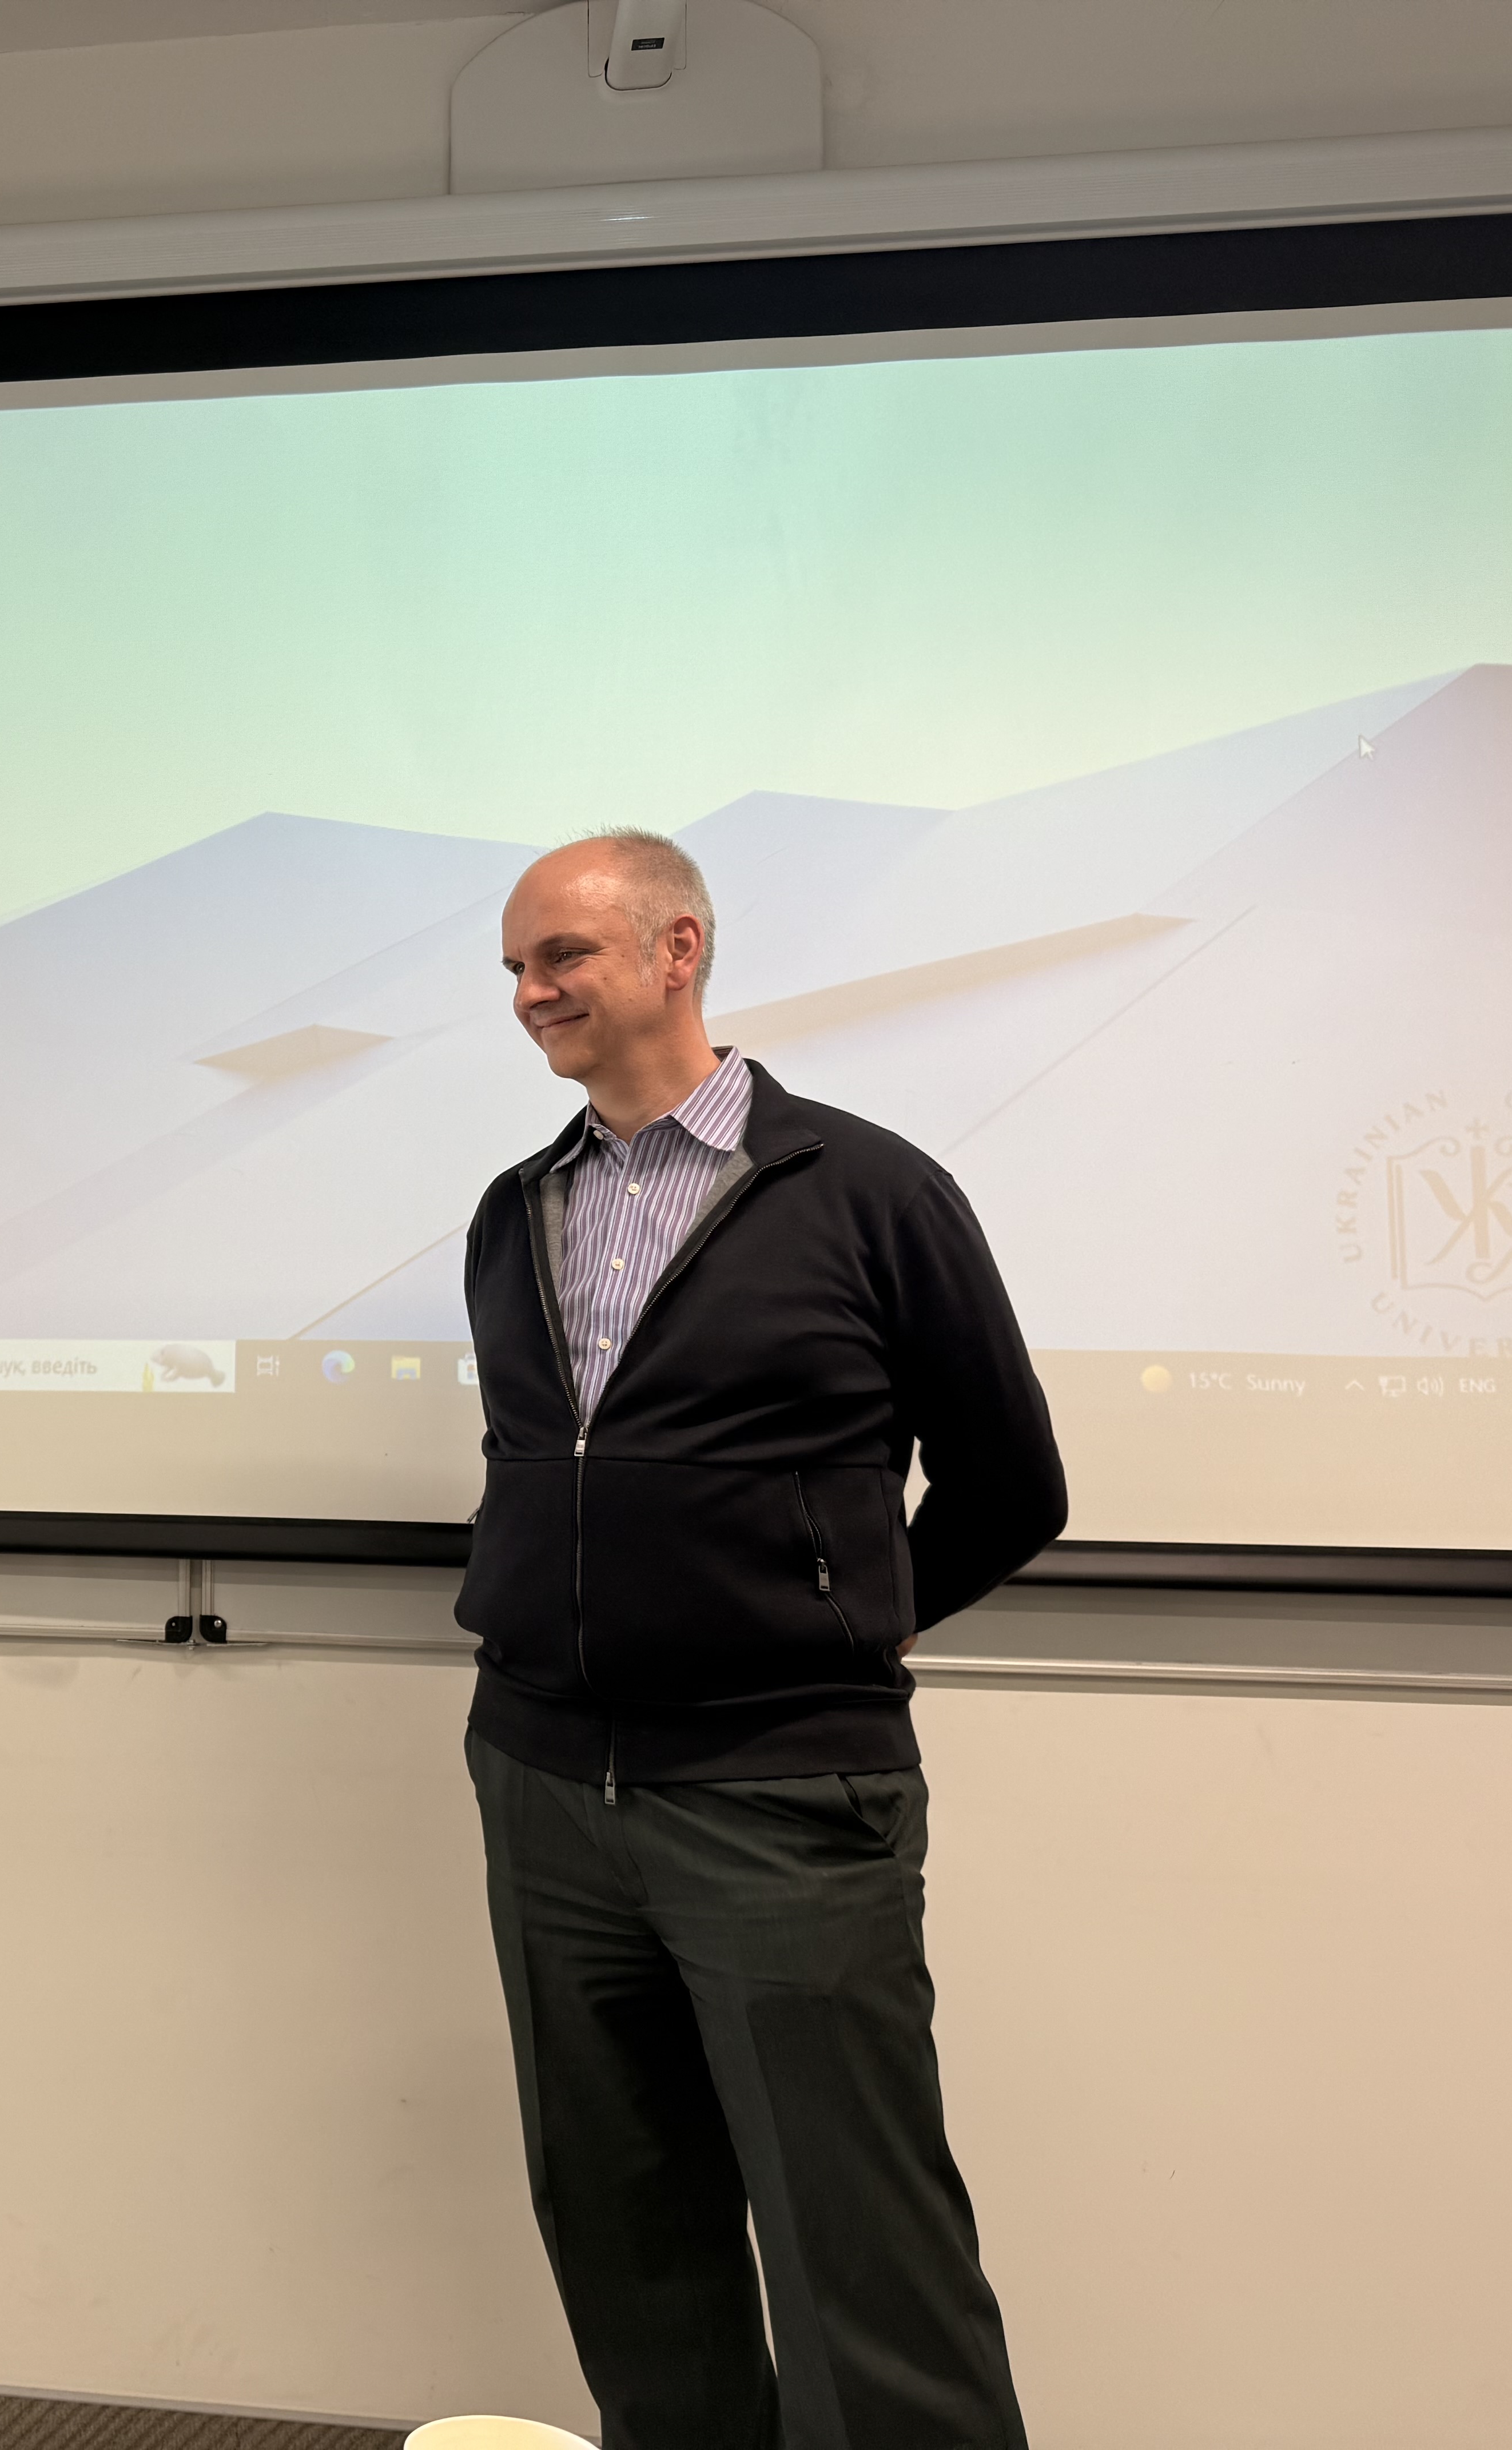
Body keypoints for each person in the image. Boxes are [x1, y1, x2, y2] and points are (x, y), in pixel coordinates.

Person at [459, 831, 1065, 2450]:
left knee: (861, 2253)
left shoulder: (869, 1192)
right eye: (515, 967)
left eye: (563, 956)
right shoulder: (518, 1208)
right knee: (627, 2236)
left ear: (679, 951)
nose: (530, 993)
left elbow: (1014, 1485)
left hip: (780, 1798)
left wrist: (832, 1628)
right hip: (544, 1788)